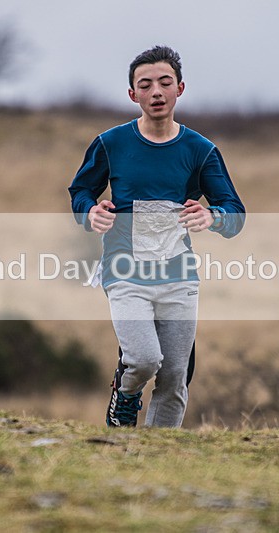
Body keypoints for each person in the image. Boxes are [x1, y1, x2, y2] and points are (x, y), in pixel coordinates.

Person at [68, 45, 245, 428]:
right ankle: (124, 395)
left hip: (178, 277)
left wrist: (212, 215)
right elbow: (80, 192)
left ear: (180, 88)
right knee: (145, 359)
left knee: (175, 378)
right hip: (125, 270)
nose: (156, 92)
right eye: (145, 85)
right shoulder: (110, 144)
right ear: (133, 95)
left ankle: (159, 458)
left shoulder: (200, 151)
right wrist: (90, 212)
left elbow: (235, 213)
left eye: (165, 83)